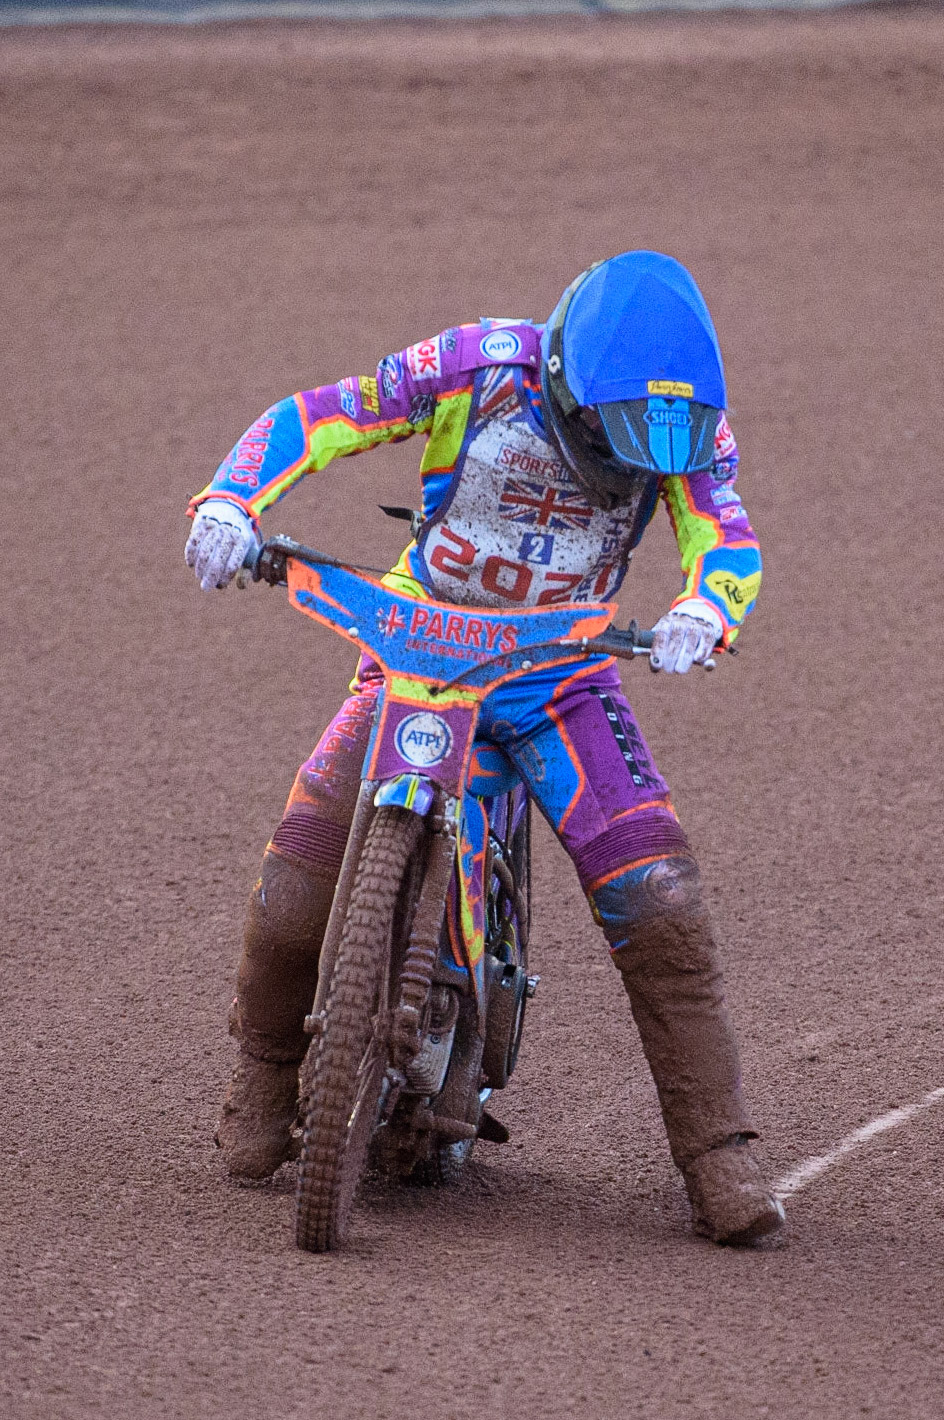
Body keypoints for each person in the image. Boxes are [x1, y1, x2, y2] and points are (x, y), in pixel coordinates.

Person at [185, 250, 784, 1245]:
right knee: (296, 874)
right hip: (417, 643)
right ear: (563, 383)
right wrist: (227, 501)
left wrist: (703, 610)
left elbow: (725, 538)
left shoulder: (688, 439)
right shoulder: (475, 367)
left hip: (561, 672)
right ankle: (261, 1075)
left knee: (659, 901)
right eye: (627, 426)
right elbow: (321, 414)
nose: (648, 453)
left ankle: (717, 1152)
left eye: (667, 430)